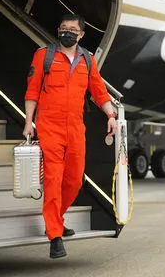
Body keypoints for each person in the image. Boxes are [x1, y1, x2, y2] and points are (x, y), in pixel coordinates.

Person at [23, 14, 118, 259]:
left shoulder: (87, 60)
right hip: (49, 126)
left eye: (72, 29)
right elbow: (32, 91)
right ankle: (55, 236)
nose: (67, 32)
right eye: (63, 28)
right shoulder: (43, 55)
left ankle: (56, 219)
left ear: (82, 34)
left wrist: (110, 115)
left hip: (75, 127)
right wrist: (28, 123)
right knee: (54, 179)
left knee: (74, 180)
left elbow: (99, 91)